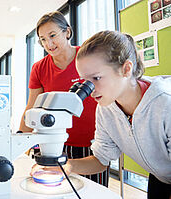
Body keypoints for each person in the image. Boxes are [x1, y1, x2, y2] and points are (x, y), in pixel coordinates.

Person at [34, 30, 171, 198]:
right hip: (160, 177)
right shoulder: (106, 108)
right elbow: (101, 159)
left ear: (126, 69)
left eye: (97, 78)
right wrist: (65, 166)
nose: (90, 90)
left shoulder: (165, 104)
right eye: (85, 81)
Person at [19, 11, 108, 186]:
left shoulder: (87, 56)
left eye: (52, 35)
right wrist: (19, 142)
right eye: (43, 39)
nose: (48, 44)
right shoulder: (39, 68)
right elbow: (31, 108)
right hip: (58, 143)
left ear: (67, 32)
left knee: (93, 192)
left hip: (94, 143)